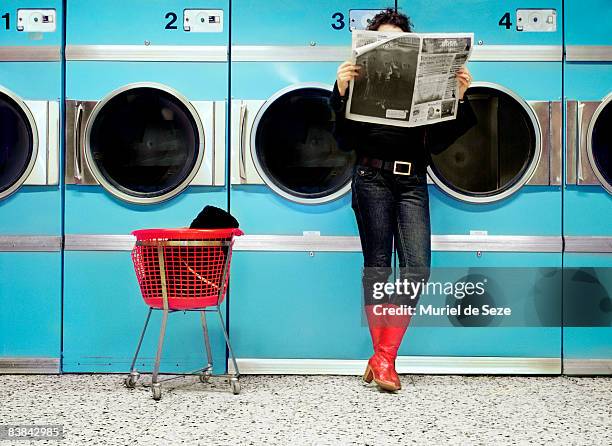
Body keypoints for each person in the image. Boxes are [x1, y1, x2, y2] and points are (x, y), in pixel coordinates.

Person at [329, 8, 476, 392]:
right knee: (378, 268)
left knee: (417, 268)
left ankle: (382, 358)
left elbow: (441, 143)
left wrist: (459, 98)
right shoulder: (356, 85)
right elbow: (343, 140)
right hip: (370, 176)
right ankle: (386, 362)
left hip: (412, 180)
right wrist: (340, 92)